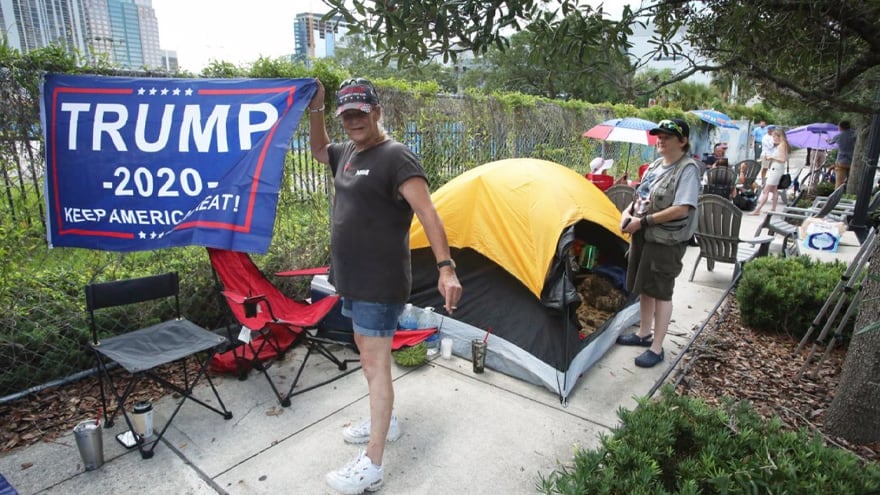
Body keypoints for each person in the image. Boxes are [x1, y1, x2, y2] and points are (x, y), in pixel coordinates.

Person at [308, 77, 463, 494]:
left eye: (361, 112)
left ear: (377, 111)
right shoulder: (346, 152)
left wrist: (446, 268)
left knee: (376, 367)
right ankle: (386, 421)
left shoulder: (397, 158)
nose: (354, 121)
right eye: (347, 115)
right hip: (352, 280)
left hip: (380, 283)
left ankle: (372, 465)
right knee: (367, 355)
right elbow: (319, 149)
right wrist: (316, 108)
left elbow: (429, 213)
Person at [617, 118, 701, 368]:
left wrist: (643, 222)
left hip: (666, 242)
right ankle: (643, 334)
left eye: (667, 136)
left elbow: (682, 209)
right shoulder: (655, 165)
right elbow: (641, 196)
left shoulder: (688, 169)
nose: (660, 140)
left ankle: (656, 347)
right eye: (659, 135)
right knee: (645, 287)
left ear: (683, 141)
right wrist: (627, 212)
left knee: (661, 292)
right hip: (643, 236)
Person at [751, 128, 790, 215]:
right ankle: (773, 208)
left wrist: (771, 157)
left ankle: (757, 210)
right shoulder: (782, 144)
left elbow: (783, 159)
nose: (773, 138)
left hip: (776, 169)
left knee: (766, 190)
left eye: (774, 136)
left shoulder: (782, 145)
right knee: (774, 189)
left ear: (779, 136)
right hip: (777, 168)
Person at [827, 120, 856, 189]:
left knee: (839, 183)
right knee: (851, 183)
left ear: (841, 127)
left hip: (841, 162)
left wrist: (827, 140)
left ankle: (837, 197)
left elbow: (830, 142)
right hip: (852, 161)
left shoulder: (838, 136)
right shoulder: (855, 134)